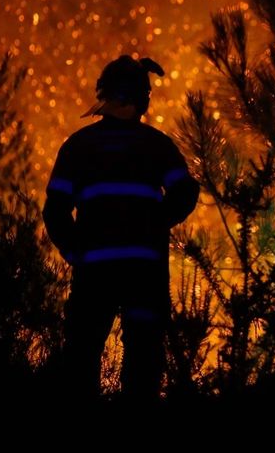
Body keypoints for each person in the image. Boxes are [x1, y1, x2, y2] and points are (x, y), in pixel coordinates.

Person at [43, 55, 199, 401]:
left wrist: (75, 252)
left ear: (105, 95)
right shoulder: (157, 145)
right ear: (142, 99)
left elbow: (55, 209)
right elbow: (185, 192)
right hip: (145, 273)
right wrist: (154, 227)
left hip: (93, 272)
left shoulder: (78, 146)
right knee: (143, 364)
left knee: (81, 358)